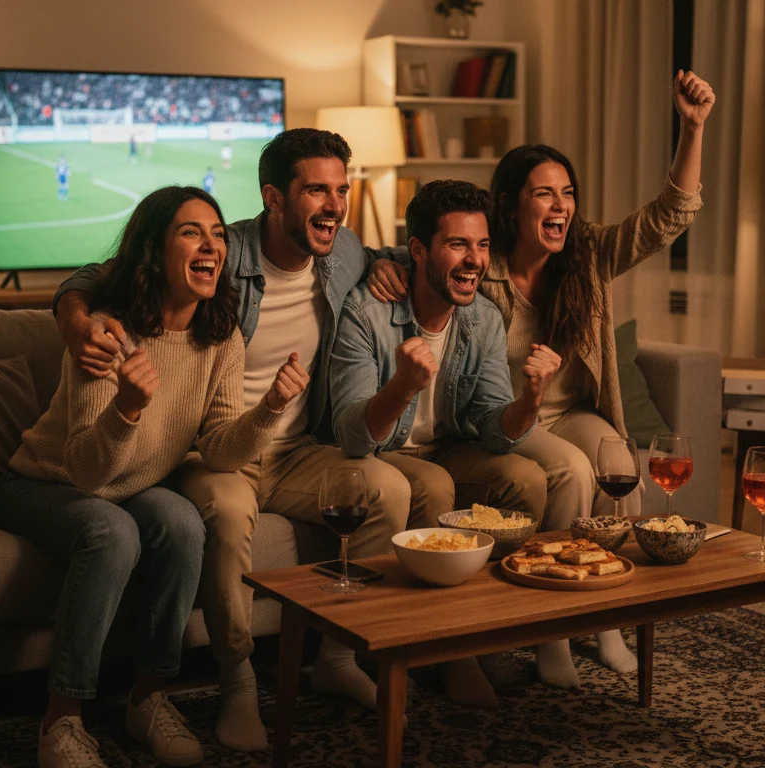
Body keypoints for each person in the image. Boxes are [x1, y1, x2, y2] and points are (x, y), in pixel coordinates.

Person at [51, 129, 420, 753]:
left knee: (387, 486)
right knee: (221, 509)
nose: (334, 205)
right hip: (214, 448)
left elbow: (408, 254)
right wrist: (73, 312)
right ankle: (238, 677)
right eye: (315, 191)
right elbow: (106, 269)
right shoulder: (226, 248)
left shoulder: (346, 251)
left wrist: (389, 263)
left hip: (298, 445)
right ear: (273, 199)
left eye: (341, 190)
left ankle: (337, 657)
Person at [369, 70, 714, 689]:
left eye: (568, 193)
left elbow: (668, 217)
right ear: (510, 204)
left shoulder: (588, 255)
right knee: (571, 471)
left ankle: (604, 615)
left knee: (617, 460)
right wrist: (382, 266)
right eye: (544, 194)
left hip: (572, 408)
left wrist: (692, 130)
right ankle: (553, 628)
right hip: (506, 416)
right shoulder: (481, 263)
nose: (561, 206)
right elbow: (413, 254)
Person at [0, 186, 306, 768]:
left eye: (217, 234)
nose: (211, 244)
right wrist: (128, 408)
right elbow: (88, 472)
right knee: (113, 532)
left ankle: (149, 697)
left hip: (132, 487)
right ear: (153, 252)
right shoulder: (104, 334)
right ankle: (61, 719)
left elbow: (217, 451)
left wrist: (268, 410)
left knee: (184, 523)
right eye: (191, 232)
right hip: (45, 484)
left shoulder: (221, 335)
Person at [331, 179, 550, 708]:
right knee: (431, 483)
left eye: (480, 245)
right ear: (419, 250)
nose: (473, 260)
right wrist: (404, 385)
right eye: (457, 244)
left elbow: (494, 432)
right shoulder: (367, 313)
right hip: (383, 453)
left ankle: (483, 631)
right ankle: (443, 651)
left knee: (527, 479)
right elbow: (354, 436)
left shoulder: (484, 318)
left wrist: (530, 400)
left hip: (448, 447)